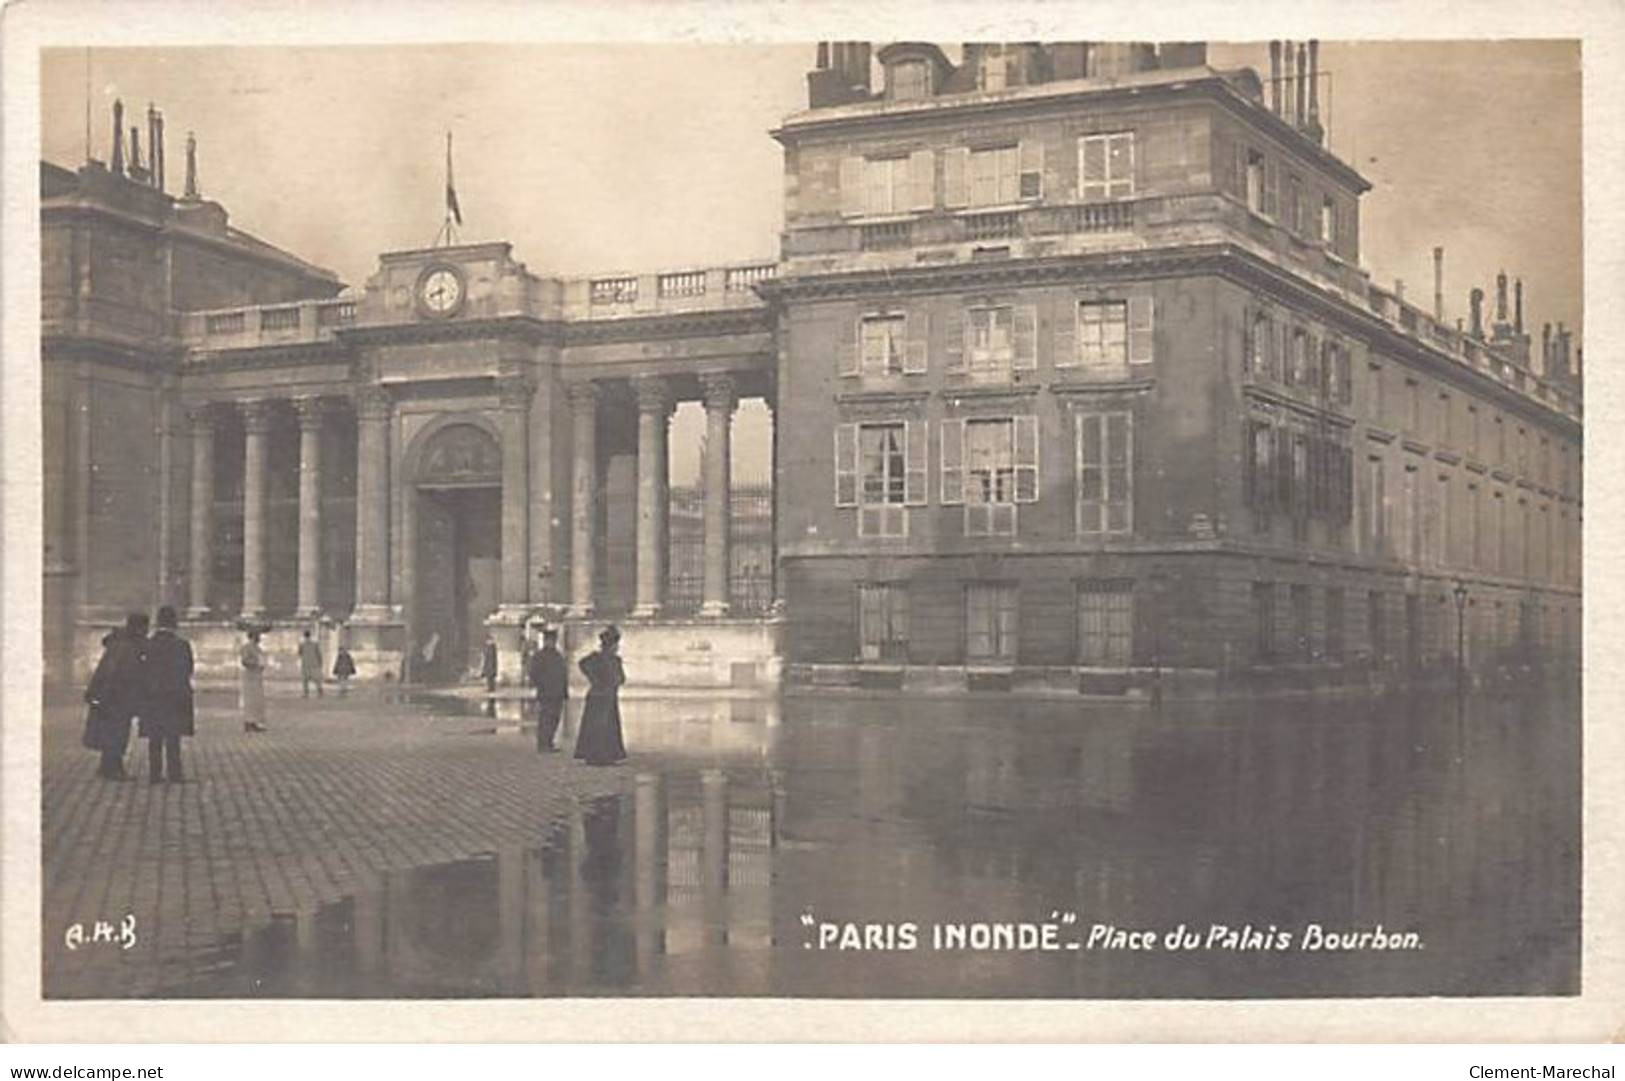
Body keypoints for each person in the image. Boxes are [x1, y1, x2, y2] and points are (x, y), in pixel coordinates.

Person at [82, 615, 146, 780]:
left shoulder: (118, 644)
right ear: (138, 627)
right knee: (117, 733)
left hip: (109, 696)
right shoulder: (127, 647)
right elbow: (121, 674)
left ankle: (107, 766)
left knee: (111, 732)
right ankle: (113, 768)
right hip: (117, 697)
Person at [140, 606, 195, 784]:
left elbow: (142, 670)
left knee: (154, 737)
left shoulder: (147, 645)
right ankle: (175, 773)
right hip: (175, 696)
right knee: (173, 737)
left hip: (152, 695)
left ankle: (155, 773)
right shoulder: (181, 645)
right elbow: (188, 669)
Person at [573, 625, 627, 766]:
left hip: (606, 696)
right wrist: (595, 679)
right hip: (600, 695)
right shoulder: (598, 658)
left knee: (604, 726)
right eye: (615, 645)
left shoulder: (613, 660)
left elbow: (621, 678)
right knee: (599, 727)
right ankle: (597, 755)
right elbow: (583, 664)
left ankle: (605, 754)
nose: (617, 647)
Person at [528, 626, 568, 752]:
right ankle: (543, 743)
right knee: (545, 717)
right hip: (546, 691)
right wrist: (539, 685)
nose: (551, 643)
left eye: (552, 640)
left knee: (555, 718)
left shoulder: (558, 656)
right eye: (549, 640)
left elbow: (563, 674)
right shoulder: (540, 656)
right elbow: (533, 673)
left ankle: (549, 741)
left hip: (557, 692)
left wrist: (564, 691)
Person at [240, 628, 267, 733]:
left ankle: (255, 722)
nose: (259, 638)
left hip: (257, 676)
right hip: (250, 677)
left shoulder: (258, 648)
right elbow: (244, 661)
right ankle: (249, 722)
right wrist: (255, 664)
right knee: (250, 701)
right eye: (257, 636)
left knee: (257, 701)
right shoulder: (246, 648)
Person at [298, 629, 324, 698]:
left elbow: (299, 653)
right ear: (310, 635)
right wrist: (320, 662)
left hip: (305, 664)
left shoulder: (302, 644)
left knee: (305, 680)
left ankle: (306, 693)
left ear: (304, 636)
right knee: (317, 679)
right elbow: (319, 653)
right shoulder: (315, 644)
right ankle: (320, 692)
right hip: (315, 663)